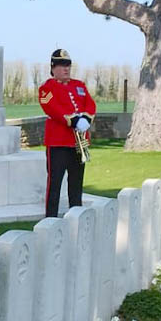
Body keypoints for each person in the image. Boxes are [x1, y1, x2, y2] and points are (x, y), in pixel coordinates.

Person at [38, 49, 95, 218]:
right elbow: (53, 109)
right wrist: (73, 120)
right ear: (53, 67)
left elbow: (90, 104)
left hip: (79, 142)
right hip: (58, 142)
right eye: (62, 65)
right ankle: (50, 219)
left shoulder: (79, 86)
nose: (66, 69)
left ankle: (76, 218)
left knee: (76, 183)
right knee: (54, 184)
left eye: (68, 65)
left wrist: (86, 117)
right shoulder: (46, 89)